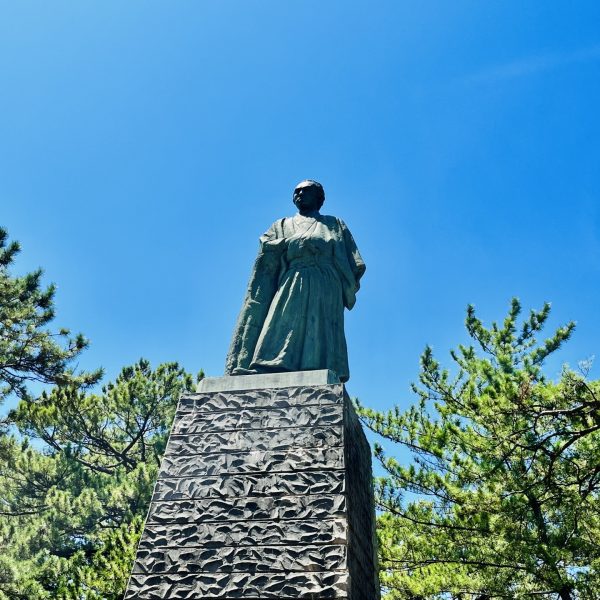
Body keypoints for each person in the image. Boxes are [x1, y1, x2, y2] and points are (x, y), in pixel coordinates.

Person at [225, 180, 365, 382]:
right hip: (292, 278)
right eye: (296, 191)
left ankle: (318, 367)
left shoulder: (334, 224)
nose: (299, 194)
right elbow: (266, 246)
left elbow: (355, 263)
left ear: (318, 198)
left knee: (319, 326)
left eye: (305, 191)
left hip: (325, 284)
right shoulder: (281, 225)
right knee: (281, 320)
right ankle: (268, 364)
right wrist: (290, 243)